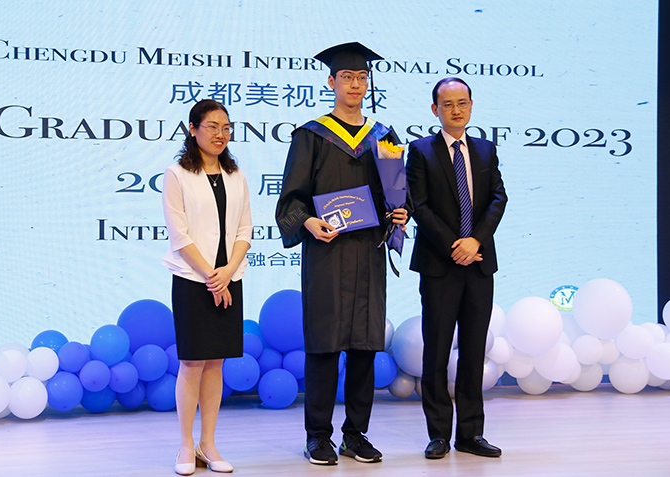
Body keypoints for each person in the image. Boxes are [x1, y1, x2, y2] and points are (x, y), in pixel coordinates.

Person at [275, 42, 409, 466]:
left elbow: (398, 193)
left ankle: (355, 435)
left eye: (361, 77)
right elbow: (291, 200)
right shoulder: (311, 136)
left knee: (365, 347)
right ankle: (318, 436)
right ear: (331, 81)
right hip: (327, 254)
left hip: (368, 253)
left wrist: (401, 212)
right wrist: (308, 222)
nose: (355, 84)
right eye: (347, 77)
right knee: (325, 346)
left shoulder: (384, 137)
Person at [406, 78, 507, 459]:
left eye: (462, 102)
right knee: (435, 352)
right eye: (447, 104)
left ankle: (470, 434)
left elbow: (498, 197)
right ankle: (438, 435)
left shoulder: (485, 149)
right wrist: (455, 245)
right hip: (439, 264)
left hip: (479, 263)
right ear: (435, 110)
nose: (456, 110)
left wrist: (475, 241)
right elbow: (419, 205)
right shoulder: (421, 151)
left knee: (473, 351)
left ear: (471, 105)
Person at [162, 99, 252, 475]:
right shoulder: (177, 174)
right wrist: (211, 276)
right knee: (192, 361)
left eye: (226, 127)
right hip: (192, 280)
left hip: (229, 279)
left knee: (216, 361)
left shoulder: (236, 175)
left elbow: (245, 230)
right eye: (212, 126)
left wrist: (226, 272)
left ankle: (208, 444)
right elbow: (179, 236)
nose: (220, 134)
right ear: (192, 129)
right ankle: (186, 445)